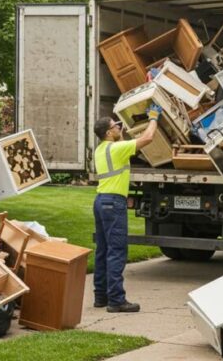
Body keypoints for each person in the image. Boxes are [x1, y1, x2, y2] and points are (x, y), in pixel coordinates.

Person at [92, 104, 163, 313]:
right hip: (114, 203)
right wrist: (153, 118)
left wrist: (121, 133)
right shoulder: (116, 149)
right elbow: (147, 138)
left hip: (100, 201)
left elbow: (122, 143)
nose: (119, 127)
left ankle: (101, 296)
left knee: (103, 251)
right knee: (117, 251)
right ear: (108, 132)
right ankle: (116, 300)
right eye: (116, 126)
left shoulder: (101, 149)